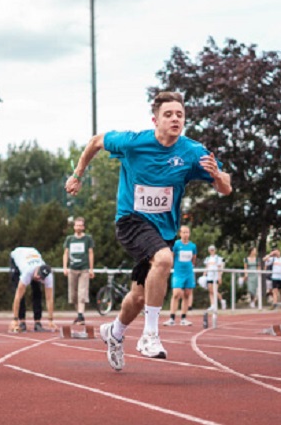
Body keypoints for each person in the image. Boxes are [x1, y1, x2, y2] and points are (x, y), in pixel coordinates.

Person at [65, 91, 232, 371]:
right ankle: (149, 335)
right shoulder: (134, 142)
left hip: (163, 230)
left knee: (139, 296)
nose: (175, 119)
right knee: (165, 260)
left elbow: (226, 188)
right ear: (155, 120)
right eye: (168, 114)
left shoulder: (193, 152)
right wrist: (78, 174)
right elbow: (96, 141)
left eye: (179, 114)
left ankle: (115, 332)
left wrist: (216, 175)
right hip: (131, 220)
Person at [10, 246, 56, 333]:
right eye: (38, 275)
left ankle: (37, 323)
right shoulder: (27, 272)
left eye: (41, 277)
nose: (38, 277)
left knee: (37, 292)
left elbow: (49, 298)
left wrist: (50, 319)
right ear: (37, 269)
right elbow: (17, 297)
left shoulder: (48, 276)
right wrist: (14, 319)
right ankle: (21, 321)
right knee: (20, 293)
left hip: (33, 253)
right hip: (18, 256)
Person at [62, 217, 95, 325]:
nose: (79, 227)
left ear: (84, 227)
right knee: (73, 295)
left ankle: (81, 315)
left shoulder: (88, 239)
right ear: (74, 227)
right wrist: (65, 267)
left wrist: (91, 269)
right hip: (72, 269)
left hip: (84, 269)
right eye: (77, 225)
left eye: (81, 225)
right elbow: (66, 253)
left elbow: (90, 253)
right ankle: (79, 315)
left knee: (82, 293)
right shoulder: (69, 239)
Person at [164, 225, 197, 326]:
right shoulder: (176, 245)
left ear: (189, 233)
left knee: (187, 294)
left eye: (187, 232)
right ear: (180, 233)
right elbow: (171, 257)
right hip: (178, 273)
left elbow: (194, 259)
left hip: (189, 273)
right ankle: (172, 318)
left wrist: (190, 267)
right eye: (184, 232)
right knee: (176, 294)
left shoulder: (193, 246)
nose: (185, 234)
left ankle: (183, 318)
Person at [203, 245, 226, 311]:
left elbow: (219, 267)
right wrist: (204, 275)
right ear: (209, 251)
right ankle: (212, 305)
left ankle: (222, 300)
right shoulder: (207, 258)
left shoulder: (218, 258)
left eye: (213, 249)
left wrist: (219, 276)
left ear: (215, 250)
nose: (212, 251)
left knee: (214, 290)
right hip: (209, 276)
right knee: (210, 291)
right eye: (210, 250)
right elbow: (206, 267)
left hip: (215, 276)